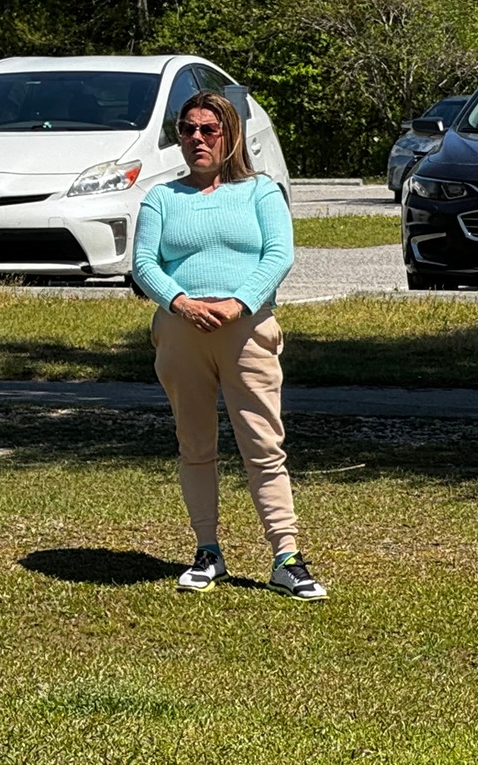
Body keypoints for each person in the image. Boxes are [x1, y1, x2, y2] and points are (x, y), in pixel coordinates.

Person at [134, 90, 322, 600]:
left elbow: (279, 255)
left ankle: (286, 557)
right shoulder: (161, 197)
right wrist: (182, 304)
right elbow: (144, 264)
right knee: (195, 445)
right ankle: (207, 551)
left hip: (247, 331)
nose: (197, 139)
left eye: (207, 130)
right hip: (181, 331)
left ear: (229, 136)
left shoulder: (260, 192)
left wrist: (239, 303)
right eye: (188, 130)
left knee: (263, 446)